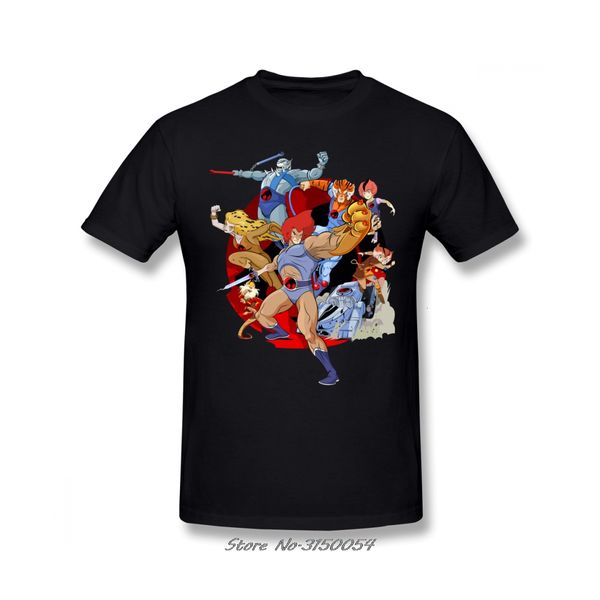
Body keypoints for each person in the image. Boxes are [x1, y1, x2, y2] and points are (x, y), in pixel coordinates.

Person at [253, 202, 372, 385]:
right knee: (262, 314)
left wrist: (356, 232)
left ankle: (331, 372)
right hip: (286, 291)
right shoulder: (282, 254)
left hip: (304, 292)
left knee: (309, 333)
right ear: (289, 233)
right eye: (295, 232)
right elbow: (273, 265)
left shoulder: (308, 245)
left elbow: (333, 245)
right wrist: (259, 271)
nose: (299, 234)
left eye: (300, 231)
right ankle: (280, 332)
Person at [232, 152, 329, 230]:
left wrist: (321, 165)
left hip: (276, 206)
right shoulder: (268, 174)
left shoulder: (293, 174)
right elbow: (252, 174)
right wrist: (239, 173)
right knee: (264, 232)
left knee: (280, 233)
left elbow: (312, 175)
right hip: (262, 206)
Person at [210, 205, 282, 289]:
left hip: (261, 259)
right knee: (271, 283)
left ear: (238, 226)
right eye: (227, 224)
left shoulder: (249, 235)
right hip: (253, 263)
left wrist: (284, 232)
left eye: (231, 226)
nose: (227, 228)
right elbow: (215, 223)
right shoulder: (234, 233)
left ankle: (246, 264)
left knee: (232, 257)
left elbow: (269, 226)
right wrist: (213, 212)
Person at [357, 179, 395, 243]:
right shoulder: (366, 202)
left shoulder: (376, 200)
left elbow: (386, 201)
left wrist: (392, 208)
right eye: (365, 193)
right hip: (369, 215)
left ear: (372, 192)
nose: (366, 195)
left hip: (375, 215)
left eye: (368, 192)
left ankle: (375, 236)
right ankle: (369, 232)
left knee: (373, 221)